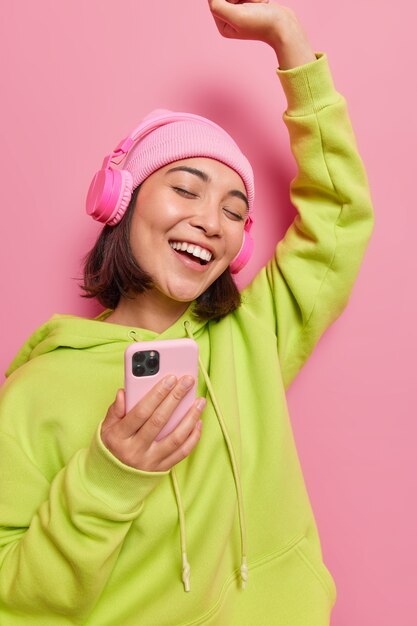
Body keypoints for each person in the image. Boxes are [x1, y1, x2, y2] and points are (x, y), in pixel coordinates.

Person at [0, 1, 374, 625]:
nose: (211, 220)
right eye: (185, 187)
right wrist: (107, 475)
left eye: (234, 210)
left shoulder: (252, 337)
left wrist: (289, 41)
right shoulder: (39, 390)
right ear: (121, 200)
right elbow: (11, 594)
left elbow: (339, 216)